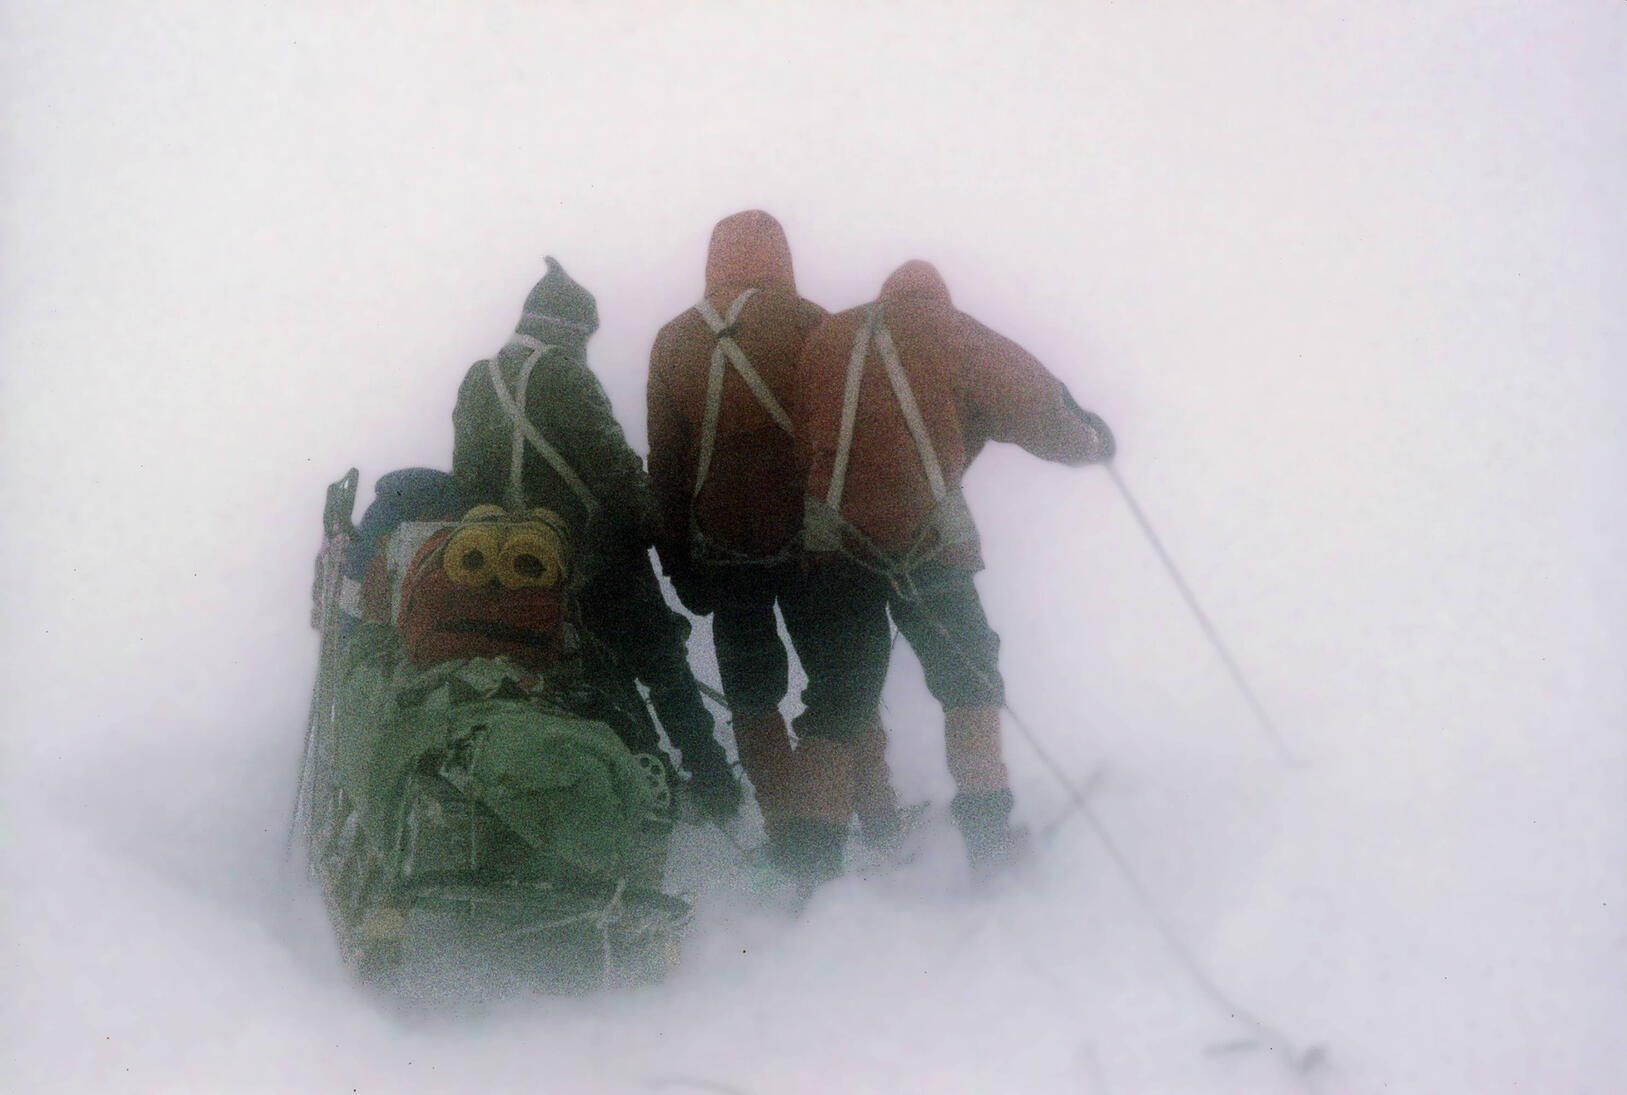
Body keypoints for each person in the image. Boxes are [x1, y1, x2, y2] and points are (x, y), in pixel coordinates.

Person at [792, 259, 1115, 874]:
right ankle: (990, 844)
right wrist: (1092, 442)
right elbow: (1036, 405)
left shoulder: (828, 338)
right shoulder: (953, 332)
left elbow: (802, 434)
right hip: (929, 546)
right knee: (970, 682)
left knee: (837, 698)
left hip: (836, 545)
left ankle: (811, 870)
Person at [647, 211, 903, 866]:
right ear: (778, 256)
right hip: (813, 544)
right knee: (844, 684)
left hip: (723, 551)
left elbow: (665, 469)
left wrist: (680, 567)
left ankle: (788, 832)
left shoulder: (672, 342)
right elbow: (846, 437)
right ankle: (874, 819)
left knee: (752, 694)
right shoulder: (805, 319)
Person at [451, 256, 741, 820]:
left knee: (600, 683)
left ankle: (643, 785)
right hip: (603, 559)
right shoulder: (563, 375)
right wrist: (667, 542)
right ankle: (714, 786)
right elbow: (616, 471)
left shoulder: (478, 380)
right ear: (569, 328)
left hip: (526, 568)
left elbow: (469, 480)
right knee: (664, 669)